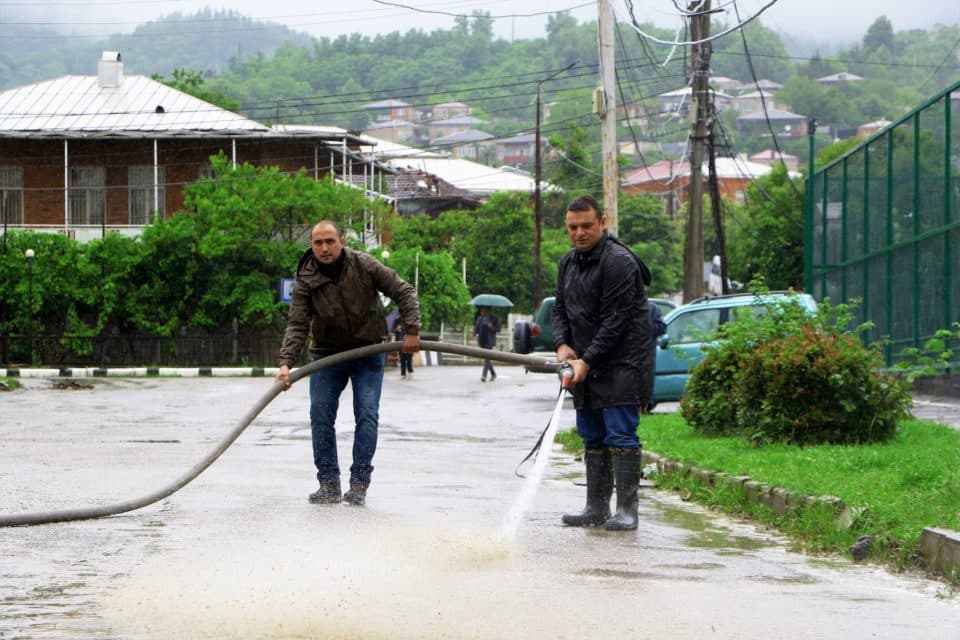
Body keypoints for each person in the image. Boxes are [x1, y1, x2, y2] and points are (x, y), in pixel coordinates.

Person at [276, 220, 421, 507]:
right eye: (318, 243)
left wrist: (412, 329)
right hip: (328, 356)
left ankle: (359, 483)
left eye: (330, 241)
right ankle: (328, 483)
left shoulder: (364, 265)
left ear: (341, 241)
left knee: (366, 414)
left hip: (369, 351)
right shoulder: (306, 278)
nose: (324, 248)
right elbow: (297, 324)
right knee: (320, 414)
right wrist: (285, 363)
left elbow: (404, 291)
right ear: (311, 246)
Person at [552, 195, 653, 531]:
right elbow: (559, 309)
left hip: (622, 362)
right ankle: (596, 506)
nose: (579, 233)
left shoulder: (620, 262)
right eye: (572, 227)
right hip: (585, 362)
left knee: (621, 434)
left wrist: (587, 360)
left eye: (586, 226)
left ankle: (627, 510)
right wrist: (563, 344)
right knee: (591, 435)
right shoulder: (568, 262)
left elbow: (616, 320)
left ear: (602, 222)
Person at [642, 300, 667, 414]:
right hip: (629, 353)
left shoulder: (652, 308)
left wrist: (644, 327)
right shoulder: (626, 306)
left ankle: (645, 407)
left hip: (647, 352)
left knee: (646, 380)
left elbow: (661, 327)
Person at [473, 305, 500, 382]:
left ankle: (484, 376)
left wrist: (491, 327)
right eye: (482, 309)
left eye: (483, 309)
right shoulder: (480, 318)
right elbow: (476, 328)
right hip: (481, 341)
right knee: (486, 358)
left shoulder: (494, 318)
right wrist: (474, 334)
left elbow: (498, 329)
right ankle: (493, 374)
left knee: (487, 358)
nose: (482, 310)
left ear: (488, 310)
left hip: (489, 341)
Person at [392, 313, 414, 379]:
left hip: (409, 341)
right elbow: (393, 329)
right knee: (402, 358)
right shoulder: (397, 319)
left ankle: (410, 371)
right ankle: (403, 374)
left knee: (409, 357)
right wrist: (397, 329)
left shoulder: (410, 320)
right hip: (400, 341)